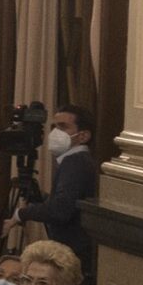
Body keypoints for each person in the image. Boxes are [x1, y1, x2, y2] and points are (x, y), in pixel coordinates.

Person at [18, 104, 98, 258]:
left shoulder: (75, 162)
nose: (55, 133)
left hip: (74, 250)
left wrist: (20, 214)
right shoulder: (77, 161)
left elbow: (60, 210)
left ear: (83, 136)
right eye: (54, 127)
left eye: (63, 127)